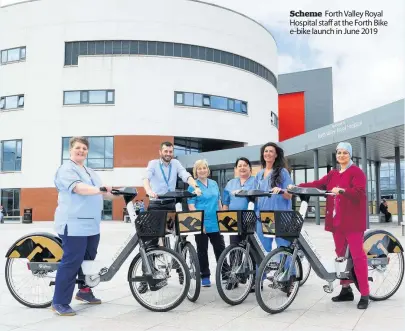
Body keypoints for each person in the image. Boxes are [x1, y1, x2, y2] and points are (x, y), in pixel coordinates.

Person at [292, 142, 370, 309]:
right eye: (339, 153)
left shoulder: (357, 172)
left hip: (353, 223)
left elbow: (359, 193)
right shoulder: (333, 173)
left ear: (350, 155)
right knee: (340, 256)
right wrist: (296, 187)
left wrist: (342, 190)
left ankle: (365, 293)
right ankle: (346, 289)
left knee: (357, 256)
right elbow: (316, 184)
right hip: (338, 223)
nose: (341, 155)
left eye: (345, 153)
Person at [52, 136, 117, 316]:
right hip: (73, 224)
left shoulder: (90, 171)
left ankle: (84, 291)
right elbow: (79, 188)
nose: (81, 151)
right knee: (72, 262)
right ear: (71, 150)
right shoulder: (66, 169)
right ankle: (59, 302)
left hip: (92, 225)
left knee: (89, 260)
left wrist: (119, 193)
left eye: (84, 149)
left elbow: (102, 193)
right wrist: (101, 190)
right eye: (78, 148)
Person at [139, 141, 201, 293]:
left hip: (171, 205)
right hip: (155, 203)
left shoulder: (175, 163)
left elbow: (185, 176)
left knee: (180, 237)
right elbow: (146, 178)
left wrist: (196, 186)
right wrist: (148, 190)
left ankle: (181, 271)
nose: (168, 154)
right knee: (151, 242)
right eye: (165, 151)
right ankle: (145, 278)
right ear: (160, 151)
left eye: (170, 151)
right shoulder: (153, 164)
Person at [187, 159, 225, 287]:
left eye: (204, 168)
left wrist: (222, 218)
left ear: (208, 170)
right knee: (202, 250)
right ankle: (205, 275)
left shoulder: (214, 183)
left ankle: (224, 273)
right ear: (196, 171)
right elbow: (191, 206)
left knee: (220, 248)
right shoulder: (193, 185)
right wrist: (200, 222)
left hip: (215, 222)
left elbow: (218, 202)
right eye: (199, 168)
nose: (202, 170)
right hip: (201, 223)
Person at [254, 142, 293, 251]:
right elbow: (254, 194)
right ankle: (263, 269)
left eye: (271, 151)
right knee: (263, 250)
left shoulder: (282, 172)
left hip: (280, 217)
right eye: (266, 151)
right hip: (265, 217)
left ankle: (287, 269)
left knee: (283, 249)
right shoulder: (259, 174)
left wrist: (281, 190)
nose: (268, 153)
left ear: (276, 155)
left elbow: (289, 195)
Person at [222, 157, 256, 245]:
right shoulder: (230, 183)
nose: (242, 168)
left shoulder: (256, 182)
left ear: (250, 168)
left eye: (245, 165)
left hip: (250, 220)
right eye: (239, 166)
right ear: (236, 169)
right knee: (234, 247)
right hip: (233, 220)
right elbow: (226, 204)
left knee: (251, 248)